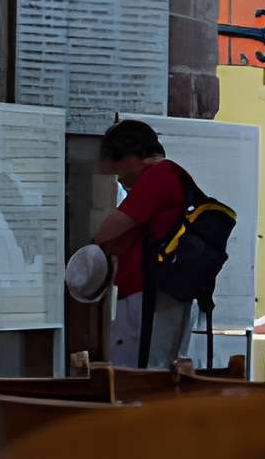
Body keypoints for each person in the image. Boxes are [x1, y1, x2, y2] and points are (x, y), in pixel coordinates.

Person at [88, 119, 195, 367]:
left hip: (149, 293)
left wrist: (87, 254)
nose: (121, 179)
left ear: (132, 157)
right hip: (161, 292)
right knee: (157, 366)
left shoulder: (158, 175)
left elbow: (110, 229)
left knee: (137, 372)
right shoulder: (172, 175)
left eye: (119, 170)